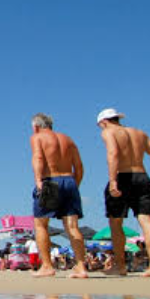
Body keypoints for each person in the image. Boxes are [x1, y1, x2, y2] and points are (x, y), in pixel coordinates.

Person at [97, 108, 150, 277]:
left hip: (122, 177)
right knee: (147, 222)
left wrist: (113, 181)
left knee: (116, 222)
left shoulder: (108, 132)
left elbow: (113, 154)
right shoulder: (139, 133)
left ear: (104, 122)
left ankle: (120, 267)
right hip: (142, 176)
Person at [29, 113, 88, 279]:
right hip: (69, 180)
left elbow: (38, 157)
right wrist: (74, 185)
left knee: (41, 224)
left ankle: (47, 266)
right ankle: (81, 267)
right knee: (72, 226)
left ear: (36, 126)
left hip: (50, 181)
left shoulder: (37, 137)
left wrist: (39, 181)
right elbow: (79, 166)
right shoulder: (67, 139)